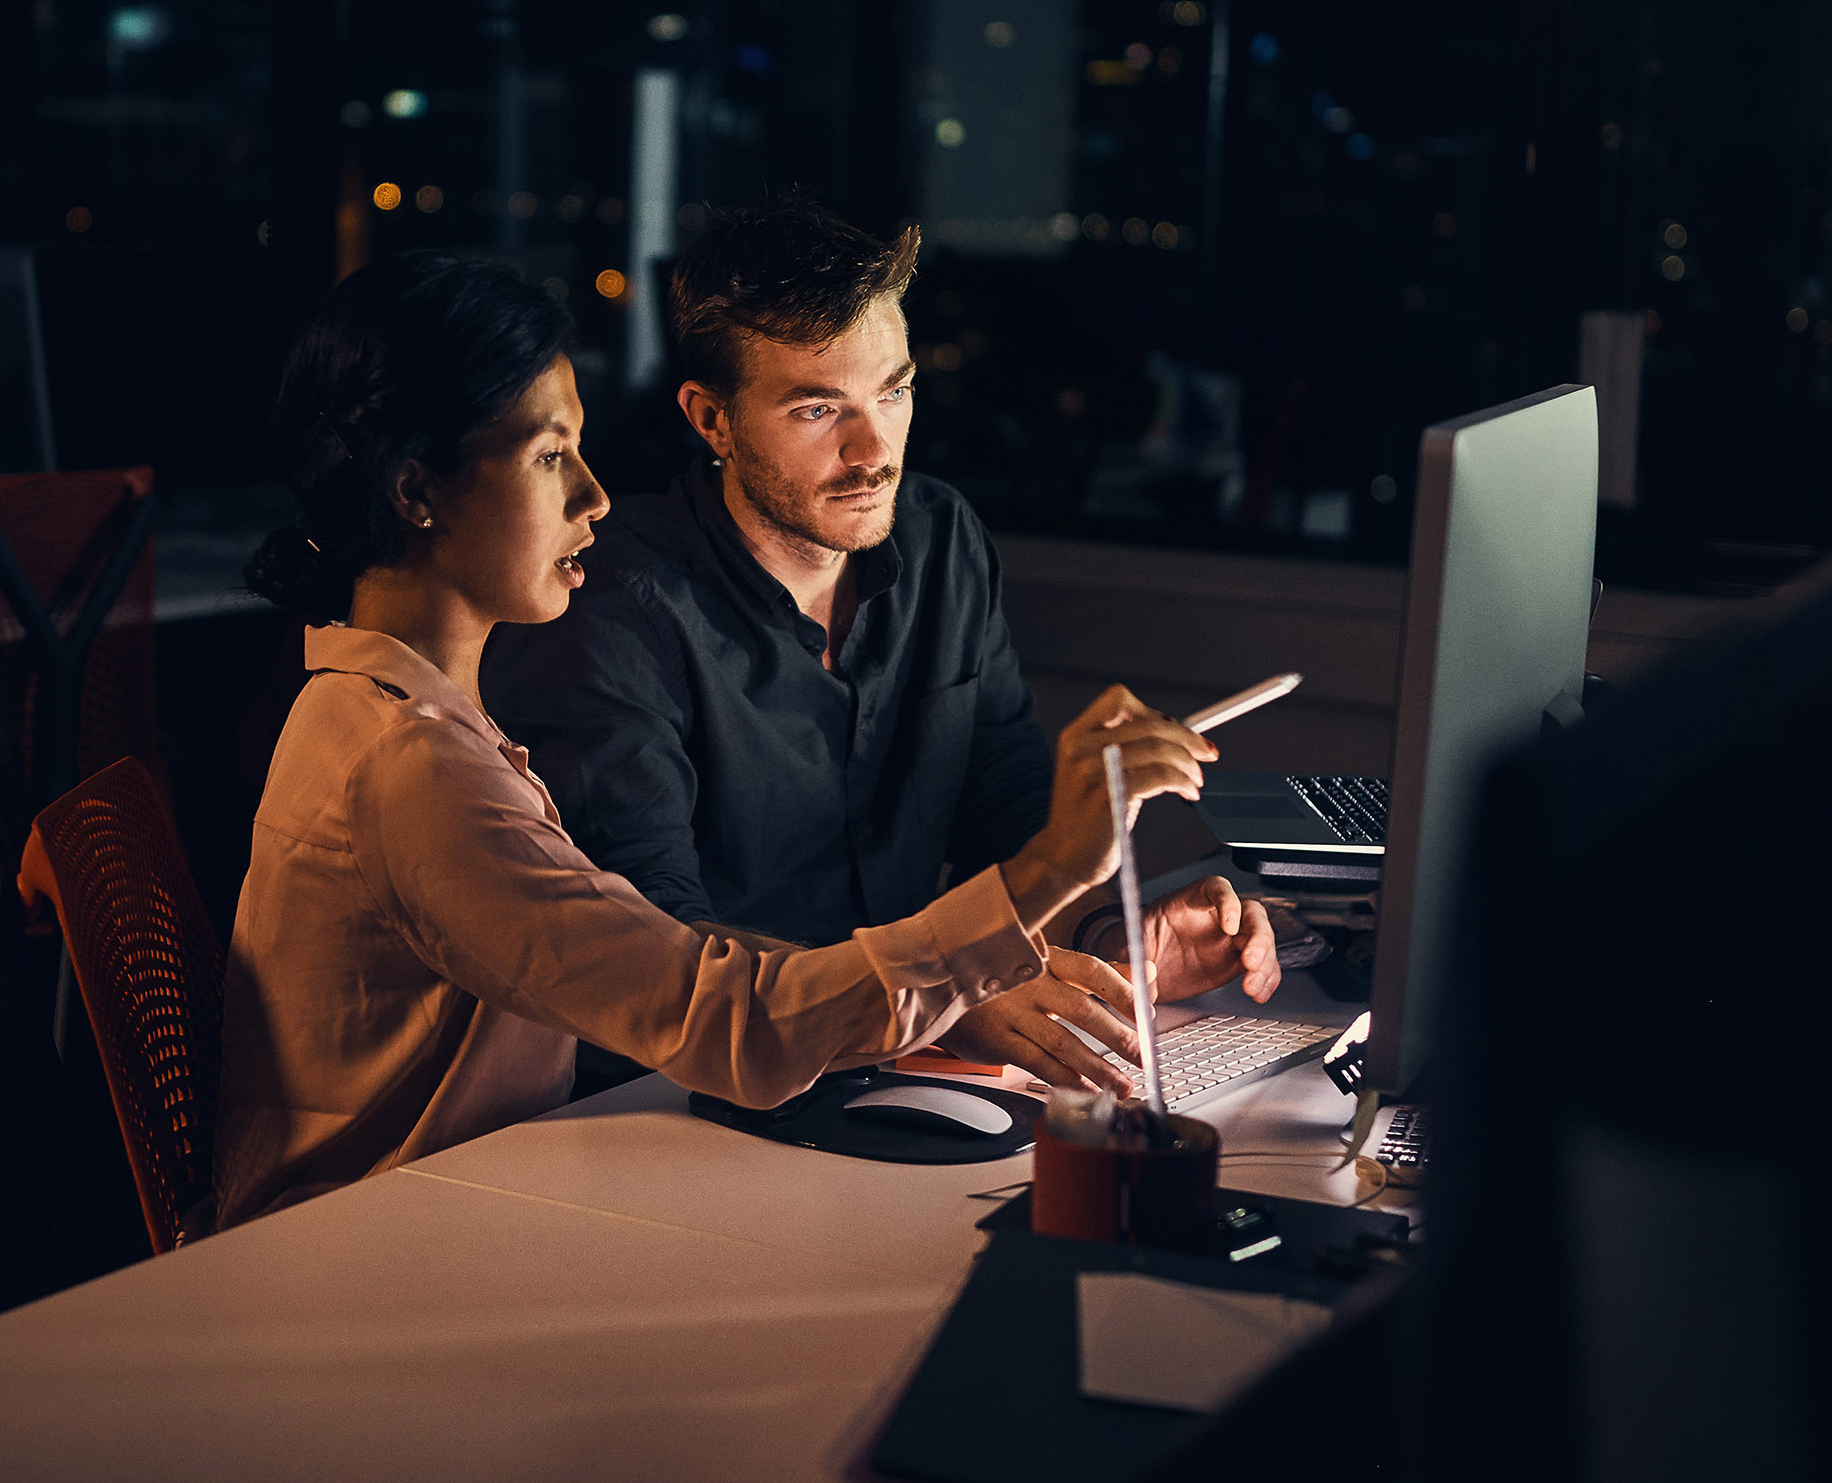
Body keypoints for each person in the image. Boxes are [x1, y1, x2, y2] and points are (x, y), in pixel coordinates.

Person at [211, 251, 1218, 1226]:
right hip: (370, 1263)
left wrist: (1101, 935)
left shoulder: (413, 713)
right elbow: (726, 1020)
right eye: (550, 455)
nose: (593, 496)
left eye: (895, 391)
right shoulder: (412, 763)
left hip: (492, 1205)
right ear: (416, 493)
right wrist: (1043, 880)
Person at [482, 196, 1279, 1094]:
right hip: (671, 1102)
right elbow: (658, 952)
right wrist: (944, 995)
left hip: (906, 1072)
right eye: (818, 410)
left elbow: (1004, 811)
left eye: (892, 393)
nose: (874, 452)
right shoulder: (608, 607)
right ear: (712, 421)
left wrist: (1107, 941)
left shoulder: (940, 539)